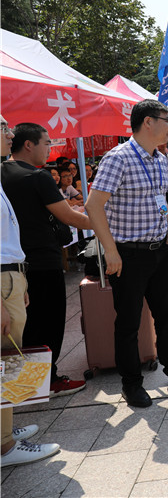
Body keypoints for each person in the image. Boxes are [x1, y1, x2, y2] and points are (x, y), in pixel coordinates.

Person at [85, 100, 168, 408]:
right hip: (129, 255)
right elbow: (93, 205)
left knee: (167, 317)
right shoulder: (118, 158)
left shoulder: (161, 159)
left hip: (162, 251)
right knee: (129, 323)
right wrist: (111, 250)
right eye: (167, 121)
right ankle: (131, 384)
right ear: (148, 122)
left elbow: (160, 197)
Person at [2, 123, 91, 398]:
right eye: (47, 143)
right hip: (42, 261)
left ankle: (24, 387)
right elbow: (69, 216)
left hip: (16, 263)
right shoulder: (37, 176)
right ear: (29, 145)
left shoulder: (3, 173)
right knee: (49, 323)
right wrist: (106, 225)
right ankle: (47, 381)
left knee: (25, 329)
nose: (49, 149)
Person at [0, 117, 61, 466]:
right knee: (5, 360)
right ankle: (5, 446)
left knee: (9, 357)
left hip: (12, 276)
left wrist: (19, 279)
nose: (9, 134)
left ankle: (6, 429)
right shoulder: (27, 176)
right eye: (3, 128)